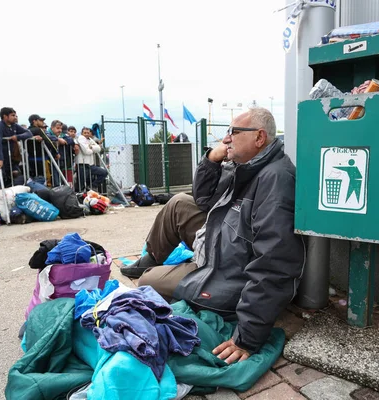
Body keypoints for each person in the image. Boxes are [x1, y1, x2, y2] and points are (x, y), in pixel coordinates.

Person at [121, 108, 305, 364]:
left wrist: (247, 338)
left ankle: (170, 273)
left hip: (227, 272)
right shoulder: (246, 165)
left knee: (147, 283)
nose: (226, 139)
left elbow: (274, 263)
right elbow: (203, 198)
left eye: (233, 132)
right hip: (223, 242)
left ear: (259, 138)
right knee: (179, 203)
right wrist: (212, 159)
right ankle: (151, 257)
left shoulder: (275, 179)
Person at [0, 107, 32, 194]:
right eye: (13, 115)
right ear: (5, 116)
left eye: (15, 115)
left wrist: (18, 137)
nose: (15, 117)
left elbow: (29, 133)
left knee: (11, 174)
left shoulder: (14, 126)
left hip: (5, 153)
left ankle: (5, 195)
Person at [27, 114, 59, 182]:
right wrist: (56, 152)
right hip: (41, 159)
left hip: (30, 159)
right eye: (40, 120)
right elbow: (48, 141)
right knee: (44, 178)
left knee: (34, 178)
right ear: (34, 121)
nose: (42, 122)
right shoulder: (38, 130)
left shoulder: (28, 130)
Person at [74, 126, 107, 192]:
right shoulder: (81, 138)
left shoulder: (90, 139)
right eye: (85, 133)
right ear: (82, 133)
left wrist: (91, 147)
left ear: (90, 133)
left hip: (90, 164)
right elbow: (86, 151)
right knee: (81, 183)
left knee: (104, 172)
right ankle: (81, 195)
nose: (86, 134)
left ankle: (92, 187)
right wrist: (93, 150)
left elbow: (99, 148)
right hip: (82, 164)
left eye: (88, 133)